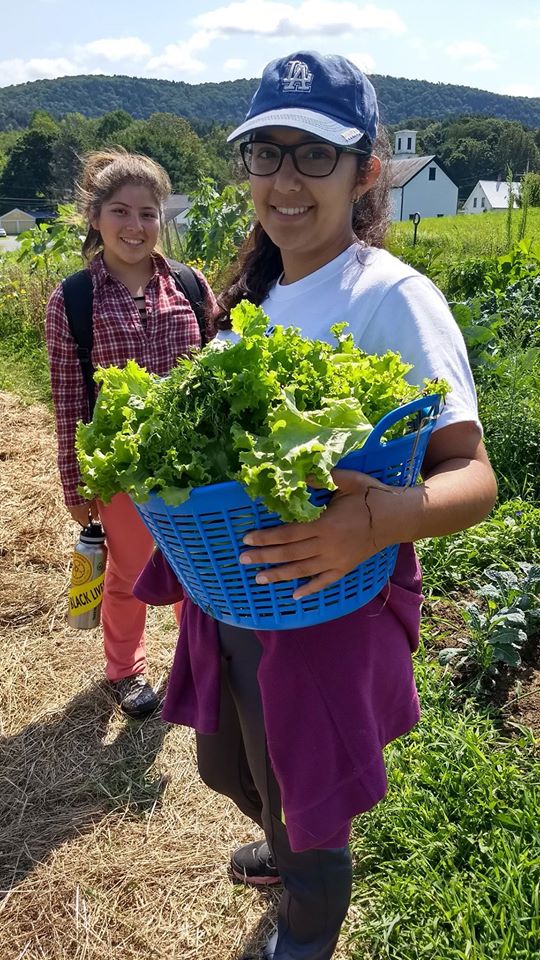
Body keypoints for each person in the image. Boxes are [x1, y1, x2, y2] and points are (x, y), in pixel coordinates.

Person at [135, 52, 497, 959]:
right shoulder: (258, 291)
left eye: (315, 155)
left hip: (325, 605)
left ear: (365, 169)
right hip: (239, 588)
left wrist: (371, 522)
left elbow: (473, 476)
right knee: (231, 762)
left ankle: (306, 923)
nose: (285, 180)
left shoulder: (392, 298)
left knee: (307, 790)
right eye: (266, 153)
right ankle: (290, 851)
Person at [46, 149, 216, 720]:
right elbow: (70, 401)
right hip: (121, 470)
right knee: (128, 573)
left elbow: (218, 368)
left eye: (149, 213)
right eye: (120, 211)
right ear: (96, 218)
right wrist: (76, 485)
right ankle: (125, 669)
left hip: (194, 465)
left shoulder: (191, 285)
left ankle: (200, 663)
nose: (135, 226)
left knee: (199, 569)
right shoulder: (73, 299)